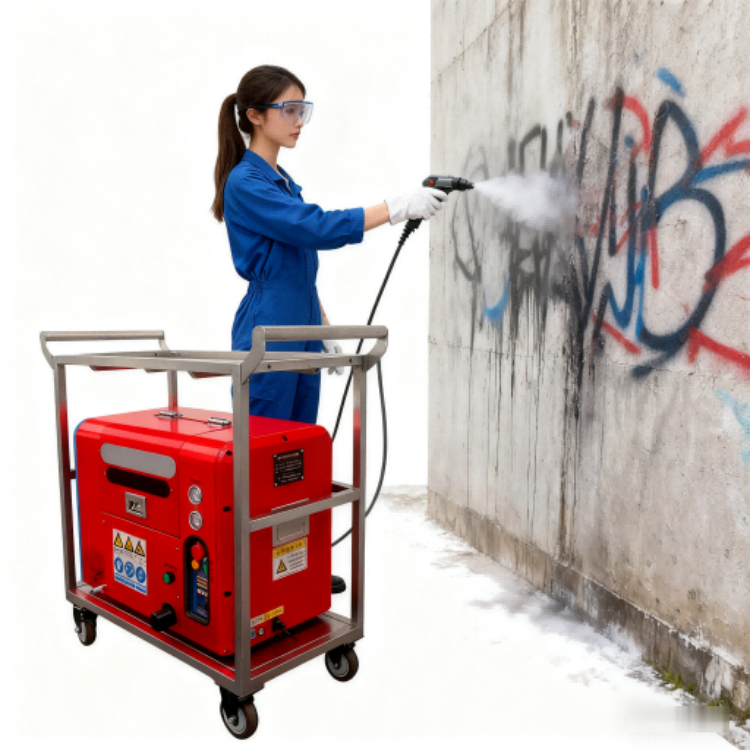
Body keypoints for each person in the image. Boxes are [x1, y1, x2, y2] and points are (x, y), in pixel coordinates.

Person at [212, 64, 447, 424]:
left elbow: (295, 261)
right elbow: (315, 228)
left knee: (301, 439)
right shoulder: (246, 182)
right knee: (264, 440)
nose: (299, 121)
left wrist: (320, 320)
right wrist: (396, 208)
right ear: (255, 116)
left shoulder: (282, 181)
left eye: (302, 111)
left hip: (302, 320)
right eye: (289, 110)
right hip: (270, 323)